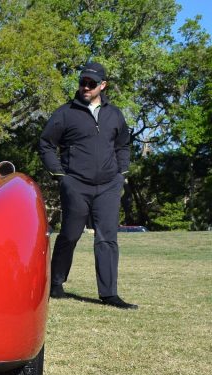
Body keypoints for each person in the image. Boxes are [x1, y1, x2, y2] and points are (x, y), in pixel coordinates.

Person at [39, 62, 138, 309]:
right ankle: (56, 284)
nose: (85, 87)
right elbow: (46, 144)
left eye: (91, 83)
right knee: (70, 235)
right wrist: (61, 177)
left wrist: (121, 174)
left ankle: (109, 294)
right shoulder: (65, 113)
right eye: (83, 82)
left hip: (108, 185)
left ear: (102, 86)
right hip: (75, 184)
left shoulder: (114, 114)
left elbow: (123, 144)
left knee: (107, 238)